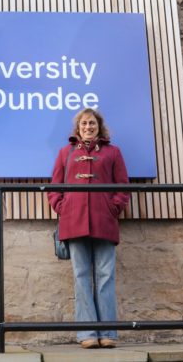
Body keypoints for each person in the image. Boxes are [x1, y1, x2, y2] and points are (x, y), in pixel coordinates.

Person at [47, 108, 130, 349]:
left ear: (99, 126)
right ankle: (86, 333)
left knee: (105, 277)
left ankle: (108, 333)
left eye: (92, 123)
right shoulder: (66, 152)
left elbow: (123, 187)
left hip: (105, 221)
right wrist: (62, 207)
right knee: (80, 277)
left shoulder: (113, 152)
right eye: (84, 123)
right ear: (78, 127)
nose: (88, 127)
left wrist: (113, 208)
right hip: (74, 221)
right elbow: (54, 187)